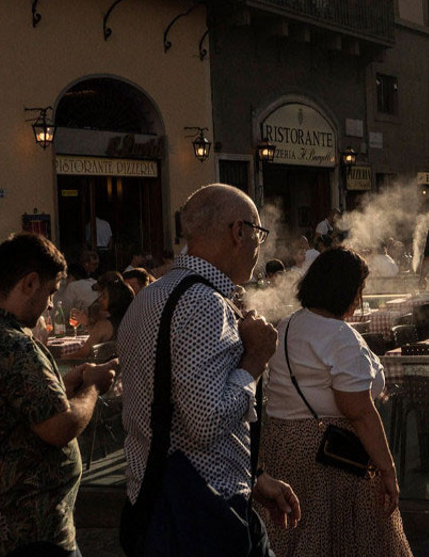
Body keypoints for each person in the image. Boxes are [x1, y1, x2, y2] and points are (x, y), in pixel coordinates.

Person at [119, 185, 300, 554]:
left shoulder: (151, 295)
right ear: (238, 232)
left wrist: (256, 476)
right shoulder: (204, 303)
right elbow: (206, 422)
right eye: (258, 235)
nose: (258, 246)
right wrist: (256, 359)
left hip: (154, 500)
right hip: (202, 512)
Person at [0, 233, 118, 557]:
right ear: (29, 283)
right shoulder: (13, 344)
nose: (51, 304)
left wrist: (64, 390)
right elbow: (59, 427)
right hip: (32, 533)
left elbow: (10, 414)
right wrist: (93, 387)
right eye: (50, 292)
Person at [262, 248, 410, 557]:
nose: (360, 300)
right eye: (360, 290)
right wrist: (388, 469)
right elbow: (358, 411)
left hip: (285, 447)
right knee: (342, 540)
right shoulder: (340, 336)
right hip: (332, 457)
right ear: (346, 290)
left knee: (298, 535)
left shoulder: (287, 325)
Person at [76, 273, 132, 359]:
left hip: (103, 369)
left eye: (104, 297)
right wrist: (87, 324)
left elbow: (82, 354)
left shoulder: (104, 324)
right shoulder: (130, 320)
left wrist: (58, 359)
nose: (100, 299)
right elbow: (100, 336)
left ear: (114, 300)